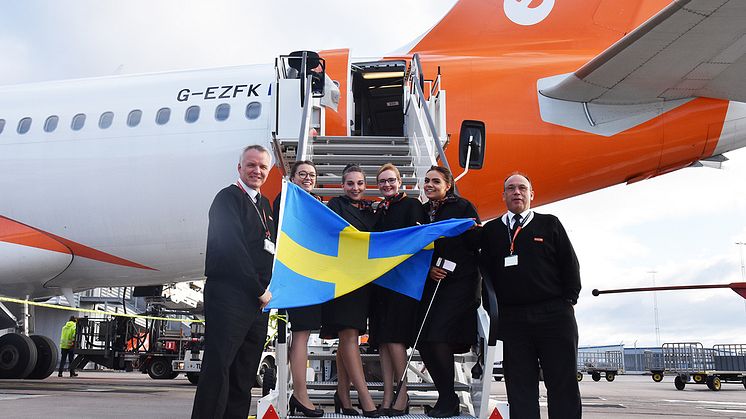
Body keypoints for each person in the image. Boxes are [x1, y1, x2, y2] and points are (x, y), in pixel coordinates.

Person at [480, 173, 582, 419]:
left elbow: (570, 265)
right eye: (511, 188)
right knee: (519, 387)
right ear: (503, 195)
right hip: (513, 320)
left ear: (531, 194)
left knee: (562, 384)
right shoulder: (492, 230)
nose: (517, 192)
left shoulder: (550, 224)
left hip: (554, 316)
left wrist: (568, 300)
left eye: (522, 188)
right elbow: (485, 273)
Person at [191, 145, 275, 419]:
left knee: (245, 372)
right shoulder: (227, 198)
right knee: (219, 369)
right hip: (230, 295)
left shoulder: (265, 206)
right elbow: (232, 250)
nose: (257, 171)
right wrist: (259, 290)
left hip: (257, 303)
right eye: (251, 165)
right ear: (239, 168)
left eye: (262, 167)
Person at [417, 166, 481, 417]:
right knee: (423, 340)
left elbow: (475, 243)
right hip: (430, 282)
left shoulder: (463, 207)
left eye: (435, 181)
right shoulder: (421, 211)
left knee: (439, 336)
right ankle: (446, 396)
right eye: (426, 181)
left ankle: (448, 398)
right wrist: (428, 268)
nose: (429, 184)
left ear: (448, 185)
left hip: (459, 283)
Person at [323, 164, 379, 417]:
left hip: (364, 280)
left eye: (359, 184)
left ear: (365, 185)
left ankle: (343, 396)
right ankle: (365, 399)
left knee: (349, 338)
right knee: (348, 336)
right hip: (344, 277)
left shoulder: (371, 209)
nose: (355, 188)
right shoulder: (336, 205)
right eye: (350, 183)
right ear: (342, 186)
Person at [370, 163, 424, 416]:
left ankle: (403, 395)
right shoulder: (379, 210)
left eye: (391, 180)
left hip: (402, 283)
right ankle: (388, 395)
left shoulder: (413, 205)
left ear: (400, 182)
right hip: (380, 283)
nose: (387, 185)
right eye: (382, 182)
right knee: (382, 340)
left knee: (395, 338)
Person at [272, 160, 324, 417]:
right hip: (296, 276)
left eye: (311, 175)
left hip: (312, 276)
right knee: (301, 334)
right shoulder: (286, 199)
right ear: (291, 178)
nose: (307, 178)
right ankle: (301, 396)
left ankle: (299, 394)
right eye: (302, 174)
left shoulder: (316, 201)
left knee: (303, 334)